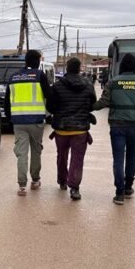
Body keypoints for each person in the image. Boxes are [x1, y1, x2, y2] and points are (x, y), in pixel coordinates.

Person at [93, 54, 135, 205]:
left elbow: (103, 102)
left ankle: (119, 193)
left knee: (118, 158)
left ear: (121, 67)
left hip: (117, 127)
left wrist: (88, 106)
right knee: (132, 156)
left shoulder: (113, 82)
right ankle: (128, 187)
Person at [47, 57, 96, 200]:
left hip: (61, 129)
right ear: (79, 68)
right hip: (80, 130)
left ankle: (62, 181)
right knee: (77, 159)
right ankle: (74, 188)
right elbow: (92, 104)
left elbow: (50, 106)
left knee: (62, 156)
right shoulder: (88, 85)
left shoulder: (57, 86)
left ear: (67, 69)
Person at [4, 50, 50, 196]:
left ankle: (22, 186)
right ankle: (35, 181)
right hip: (36, 121)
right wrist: (50, 115)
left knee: (21, 153)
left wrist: (11, 117)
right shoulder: (39, 75)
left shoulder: (13, 77)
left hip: (18, 122)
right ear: (37, 62)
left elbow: (6, 102)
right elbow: (49, 95)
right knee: (36, 151)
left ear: (25, 61)